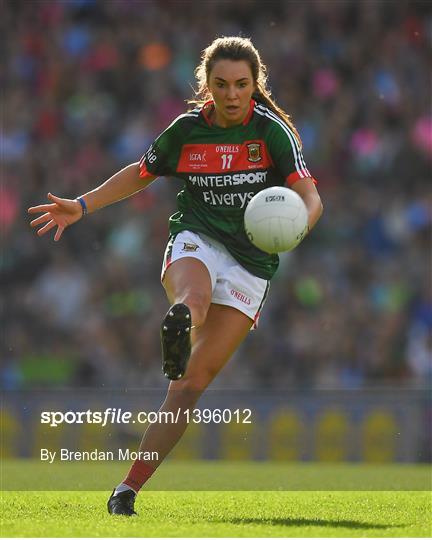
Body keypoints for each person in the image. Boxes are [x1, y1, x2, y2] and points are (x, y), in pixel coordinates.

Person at [28, 36, 323, 515]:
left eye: (242, 85)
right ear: (207, 85)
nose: (231, 94)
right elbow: (141, 173)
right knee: (193, 299)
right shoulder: (187, 130)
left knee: (189, 386)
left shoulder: (272, 135)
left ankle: (127, 488)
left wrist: (299, 227)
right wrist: (82, 205)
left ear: (255, 85)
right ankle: (182, 319)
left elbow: (311, 197)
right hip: (198, 238)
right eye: (222, 84)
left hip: (252, 264)